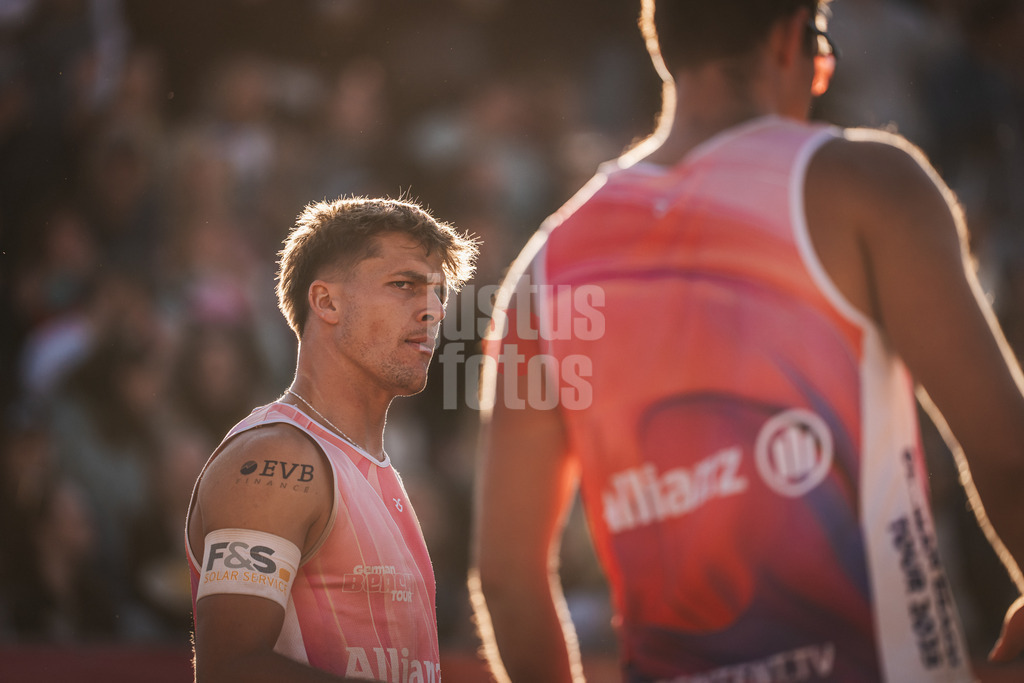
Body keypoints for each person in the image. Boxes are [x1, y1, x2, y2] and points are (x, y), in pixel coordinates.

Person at [470, 1, 1024, 681]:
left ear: (663, 48)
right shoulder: (865, 185)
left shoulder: (541, 273)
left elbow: (507, 579)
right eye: (822, 52)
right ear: (790, 40)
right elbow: (1007, 452)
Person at [185, 197, 477, 682]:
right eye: (404, 285)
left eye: (439, 293)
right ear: (326, 302)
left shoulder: (370, 465)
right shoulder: (276, 458)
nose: (433, 310)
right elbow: (229, 669)